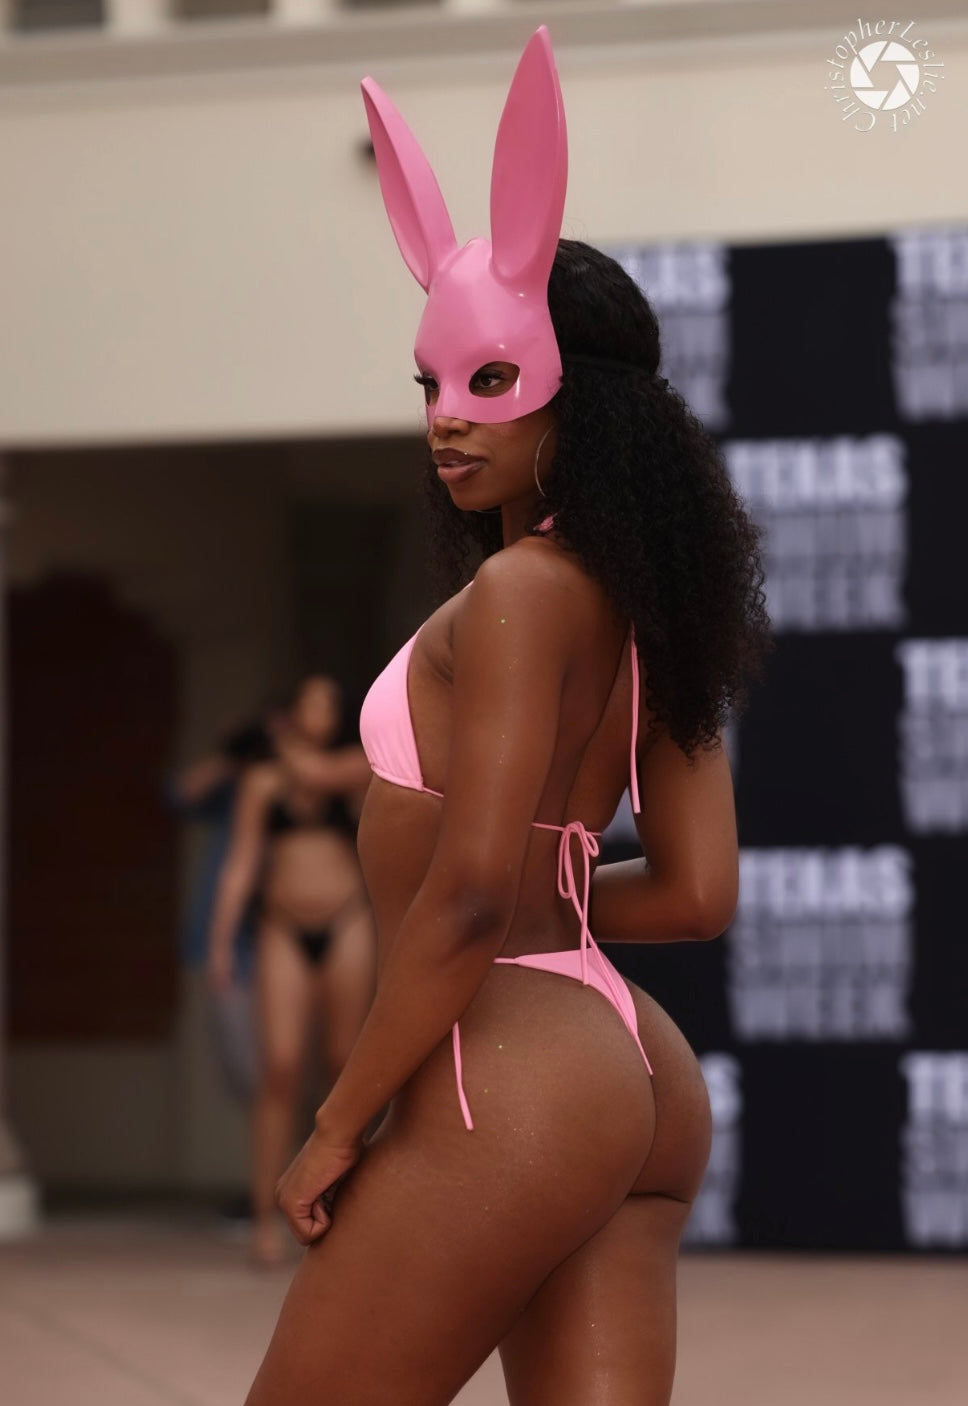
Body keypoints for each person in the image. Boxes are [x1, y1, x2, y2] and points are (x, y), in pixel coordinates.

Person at [242, 27, 770, 1405]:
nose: (445, 419)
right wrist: (561, 905)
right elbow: (698, 888)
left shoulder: (523, 595)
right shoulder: (652, 600)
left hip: (508, 1075)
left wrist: (338, 1122)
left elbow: (473, 894)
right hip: (631, 1071)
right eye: (429, 383)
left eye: (486, 382)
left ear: (577, 398)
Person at [209, 674, 375, 1268]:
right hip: (281, 926)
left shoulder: (355, 765)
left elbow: (319, 777)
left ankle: (342, 1212)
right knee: (278, 1069)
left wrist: (273, 738)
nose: (319, 712)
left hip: (347, 921)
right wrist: (221, 942)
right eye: (309, 702)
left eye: (329, 702)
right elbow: (241, 863)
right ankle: (263, 1218)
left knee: (342, 1066)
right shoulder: (262, 782)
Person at [167, 718, 275, 1116]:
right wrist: (232, 758)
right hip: (236, 939)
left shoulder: (301, 781)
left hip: (287, 928)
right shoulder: (234, 785)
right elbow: (179, 794)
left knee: (295, 1063)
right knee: (248, 1069)